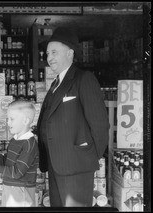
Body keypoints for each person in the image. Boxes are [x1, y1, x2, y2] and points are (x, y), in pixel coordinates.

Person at [36, 27, 110, 207]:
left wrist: (87, 157)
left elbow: (100, 125)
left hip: (76, 166)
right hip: (56, 164)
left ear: (70, 53)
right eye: (47, 53)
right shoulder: (56, 83)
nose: (49, 57)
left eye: (54, 52)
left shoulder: (84, 79)